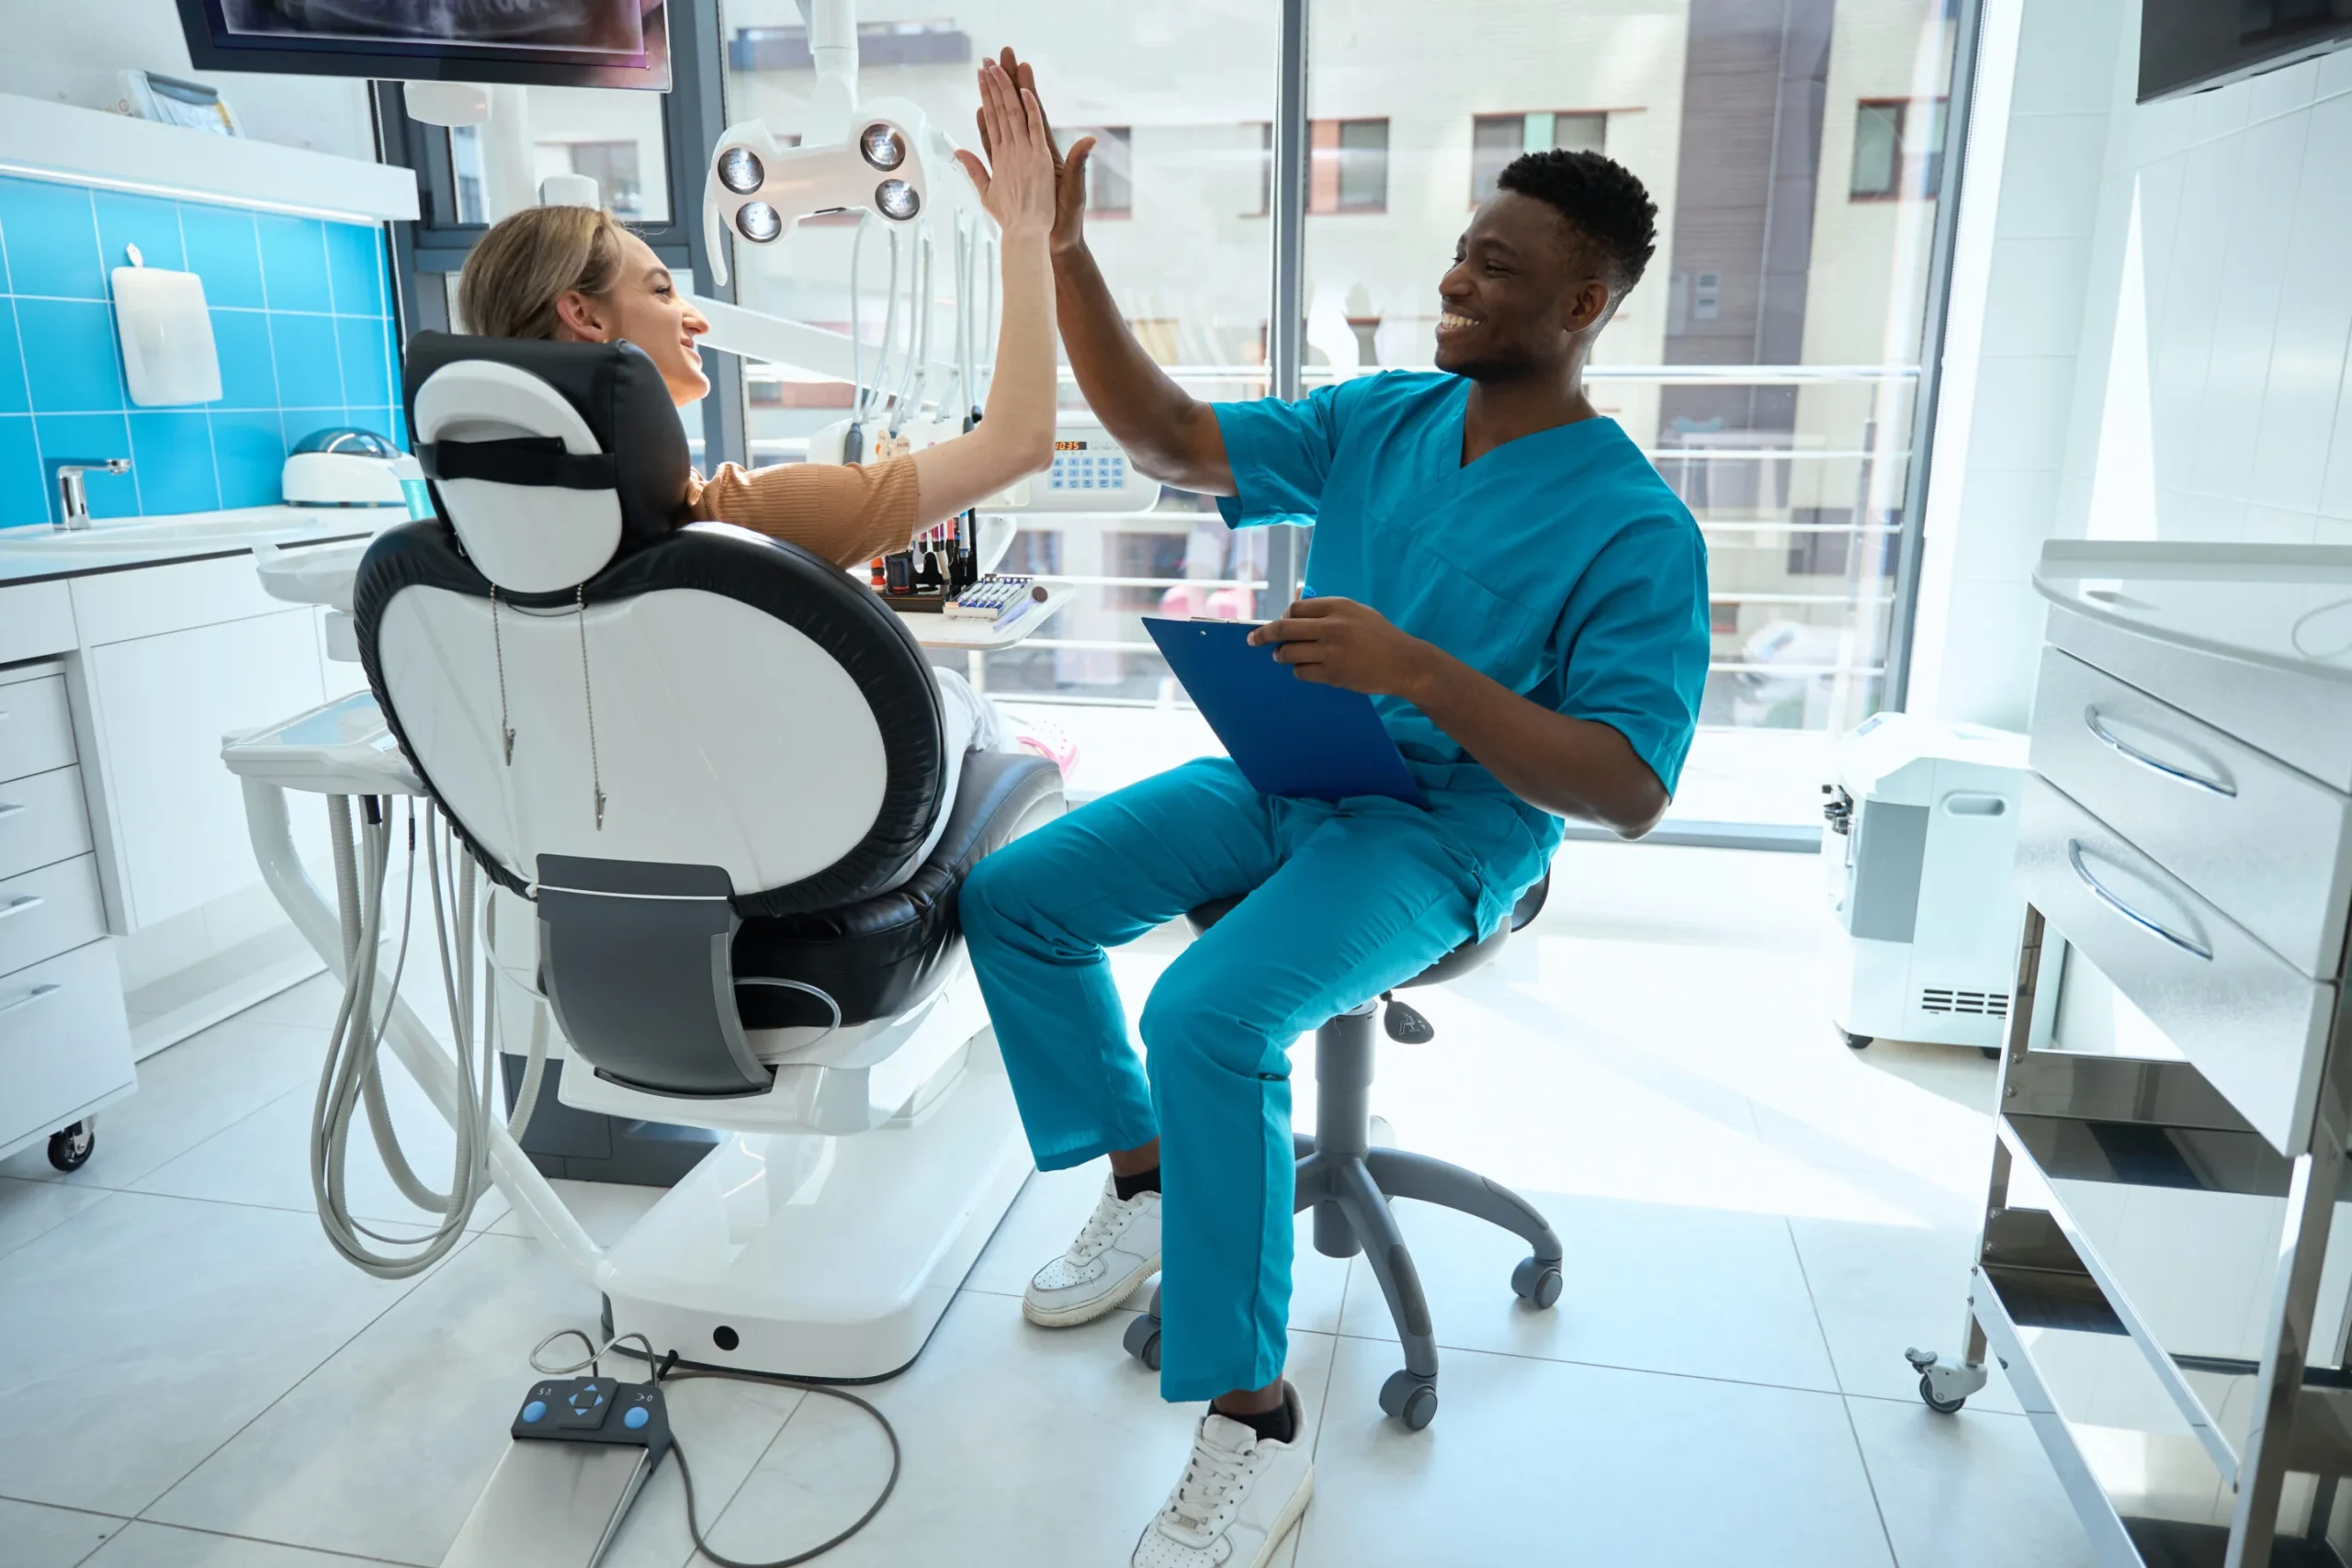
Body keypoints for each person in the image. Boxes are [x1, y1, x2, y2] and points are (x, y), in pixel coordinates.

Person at [956, 50, 1712, 1568]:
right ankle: (1154, 1182)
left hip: (1448, 835)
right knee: (1016, 897)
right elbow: (1173, 439)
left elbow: (1626, 787)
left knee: (1210, 1015)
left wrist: (1422, 672)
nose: (1458, 278)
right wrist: (1058, 247)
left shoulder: (1638, 526)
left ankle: (1257, 1425)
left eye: (1498, 267)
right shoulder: (1388, 416)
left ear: (1584, 308)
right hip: (1290, 764)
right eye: (1461, 248)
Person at [452, 58, 1073, 844]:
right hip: (805, 836)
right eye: (660, 290)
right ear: (582, 314)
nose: (696, 318)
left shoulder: (481, 547)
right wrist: (1026, 229)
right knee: (969, 706)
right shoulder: (733, 522)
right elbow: (1018, 442)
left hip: (617, 838)